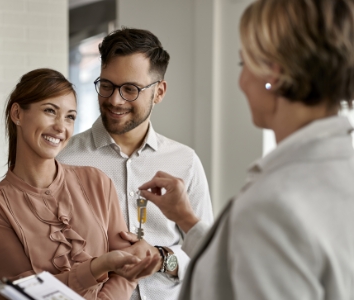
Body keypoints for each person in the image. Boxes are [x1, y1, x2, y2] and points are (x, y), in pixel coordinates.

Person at [139, 0, 354, 299]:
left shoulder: (275, 204)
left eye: (243, 63)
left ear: (273, 74)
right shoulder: (340, 171)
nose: (241, 81)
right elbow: (239, 268)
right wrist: (186, 218)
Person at [0, 68, 160, 300]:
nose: (61, 127)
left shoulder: (97, 182)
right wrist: (99, 266)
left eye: (70, 117)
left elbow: (126, 271)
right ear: (17, 113)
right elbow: (27, 291)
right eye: (50, 111)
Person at [57, 28, 214, 300]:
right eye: (106, 85)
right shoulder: (63, 160)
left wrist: (162, 257)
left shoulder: (185, 161)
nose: (115, 100)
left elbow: (207, 255)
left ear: (159, 92)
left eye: (130, 89)